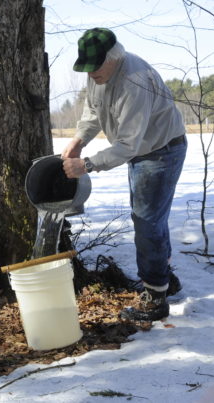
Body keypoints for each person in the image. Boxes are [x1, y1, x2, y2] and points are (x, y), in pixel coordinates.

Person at [61, 28, 187, 322]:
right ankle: (165, 280)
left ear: (114, 57)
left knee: (147, 221)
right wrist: (78, 141)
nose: (91, 74)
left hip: (161, 150)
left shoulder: (135, 81)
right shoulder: (100, 75)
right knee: (150, 217)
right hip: (142, 149)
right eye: (86, 68)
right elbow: (93, 112)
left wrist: (87, 164)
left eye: (95, 67)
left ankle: (155, 298)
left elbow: (129, 144)